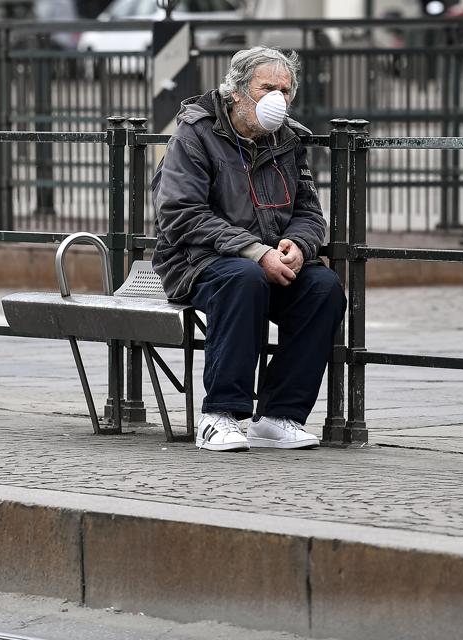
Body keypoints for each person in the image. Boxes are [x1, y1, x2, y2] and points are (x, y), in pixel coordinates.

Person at [151, 46, 346, 452]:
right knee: (243, 279)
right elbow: (181, 214)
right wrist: (256, 252)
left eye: (286, 89)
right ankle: (219, 415)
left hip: (270, 261)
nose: (279, 97)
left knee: (323, 287)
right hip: (197, 262)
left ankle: (279, 416)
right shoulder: (195, 133)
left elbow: (309, 212)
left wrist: (299, 245)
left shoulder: (289, 140)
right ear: (237, 92)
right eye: (268, 88)